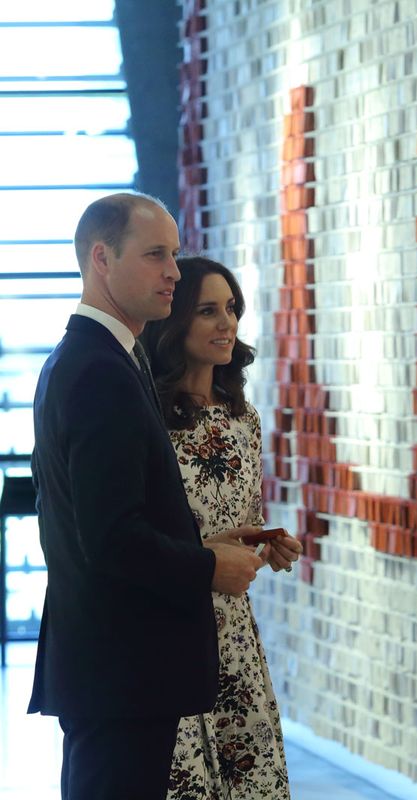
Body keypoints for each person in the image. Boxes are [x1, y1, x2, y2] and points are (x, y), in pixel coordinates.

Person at [29, 192, 266, 800]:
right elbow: (112, 539)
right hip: (121, 671)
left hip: (119, 669)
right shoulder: (98, 370)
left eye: (176, 254)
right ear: (101, 259)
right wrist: (211, 563)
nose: (173, 272)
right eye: (156, 254)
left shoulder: (103, 357)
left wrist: (204, 543)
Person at [141, 255, 302, 799]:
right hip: (174, 623)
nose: (227, 323)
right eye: (208, 311)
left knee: (248, 780)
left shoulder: (243, 418)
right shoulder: (149, 418)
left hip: (233, 630)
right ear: (177, 322)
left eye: (231, 308)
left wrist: (268, 541)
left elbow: (242, 521)